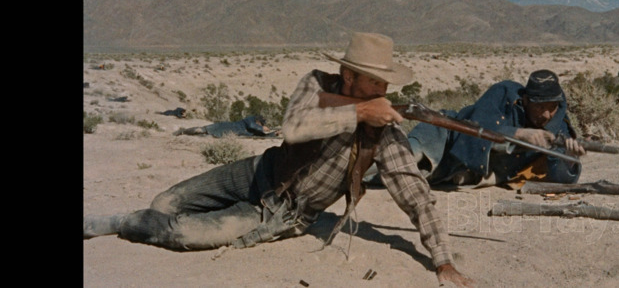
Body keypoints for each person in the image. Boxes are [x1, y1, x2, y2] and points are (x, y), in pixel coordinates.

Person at [83, 32, 474, 287]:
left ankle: (118, 222)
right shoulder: (316, 84)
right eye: (373, 80)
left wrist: (443, 261)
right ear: (347, 75)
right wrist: (357, 113)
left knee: (183, 234)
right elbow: (293, 127)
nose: (382, 90)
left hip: (283, 212)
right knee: (164, 203)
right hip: (259, 171)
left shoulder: (383, 133)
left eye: (384, 82)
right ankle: (146, 219)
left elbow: (415, 195)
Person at [407, 69, 586, 187]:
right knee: (403, 159)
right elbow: (475, 128)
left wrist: (569, 158)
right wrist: (519, 134)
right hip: (442, 135)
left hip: (457, 174)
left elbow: (559, 180)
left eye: (552, 107)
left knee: (403, 180)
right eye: (540, 107)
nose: (547, 114)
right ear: (525, 100)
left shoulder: (559, 126)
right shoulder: (504, 93)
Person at [172, 115, 279, 138]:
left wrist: (274, 133)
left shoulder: (253, 130)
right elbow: (251, 125)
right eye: (260, 124)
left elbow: (262, 136)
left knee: (205, 136)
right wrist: (261, 128)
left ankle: (185, 135)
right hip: (225, 126)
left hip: (227, 133)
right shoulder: (250, 120)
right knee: (201, 130)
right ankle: (182, 131)